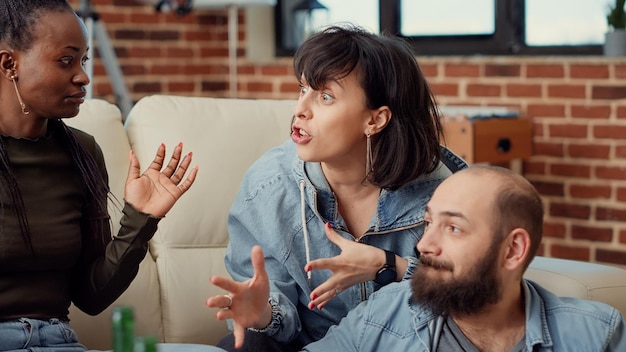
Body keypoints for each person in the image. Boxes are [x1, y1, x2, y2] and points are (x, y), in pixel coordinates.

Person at [205, 24, 467, 352]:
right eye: (303, 89)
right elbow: (276, 318)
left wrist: (389, 266)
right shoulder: (269, 187)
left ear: (376, 120)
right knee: (240, 345)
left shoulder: (443, 192)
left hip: (402, 344)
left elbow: (471, 296)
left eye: (325, 96)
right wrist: (263, 314)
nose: (300, 109)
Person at [0, 1, 201, 350]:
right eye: (66, 60)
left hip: (58, 340)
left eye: (83, 60)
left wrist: (142, 219)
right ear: (9, 64)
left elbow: (91, 297)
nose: (83, 76)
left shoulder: (83, 152)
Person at [302, 165, 626, 352]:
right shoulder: (381, 317)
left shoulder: (595, 335)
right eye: (429, 223)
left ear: (513, 250)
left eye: (453, 228)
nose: (424, 245)